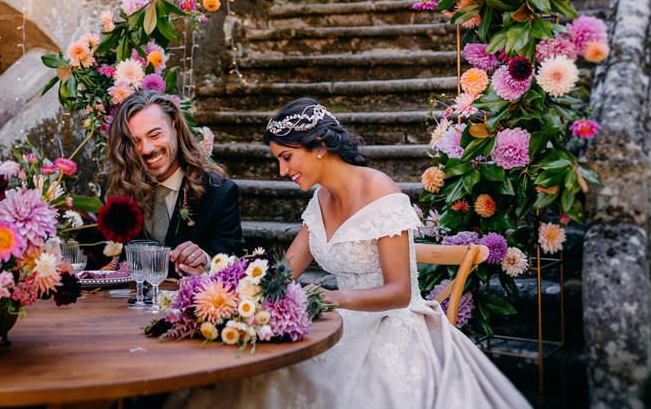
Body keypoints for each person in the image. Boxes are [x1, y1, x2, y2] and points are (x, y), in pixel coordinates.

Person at [172, 97, 530, 408]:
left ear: (318, 146)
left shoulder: (379, 190)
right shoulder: (320, 199)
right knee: (261, 374)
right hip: (340, 321)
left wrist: (330, 297)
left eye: (286, 157)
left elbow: (399, 292)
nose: (282, 171)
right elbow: (285, 273)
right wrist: (228, 288)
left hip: (394, 326)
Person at [105, 89, 245, 275]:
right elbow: (104, 256)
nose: (146, 149)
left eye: (155, 135)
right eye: (135, 141)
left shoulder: (218, 192)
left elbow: (234, 259)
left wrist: (206, 259)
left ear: (175, 127)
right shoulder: (116, 188)